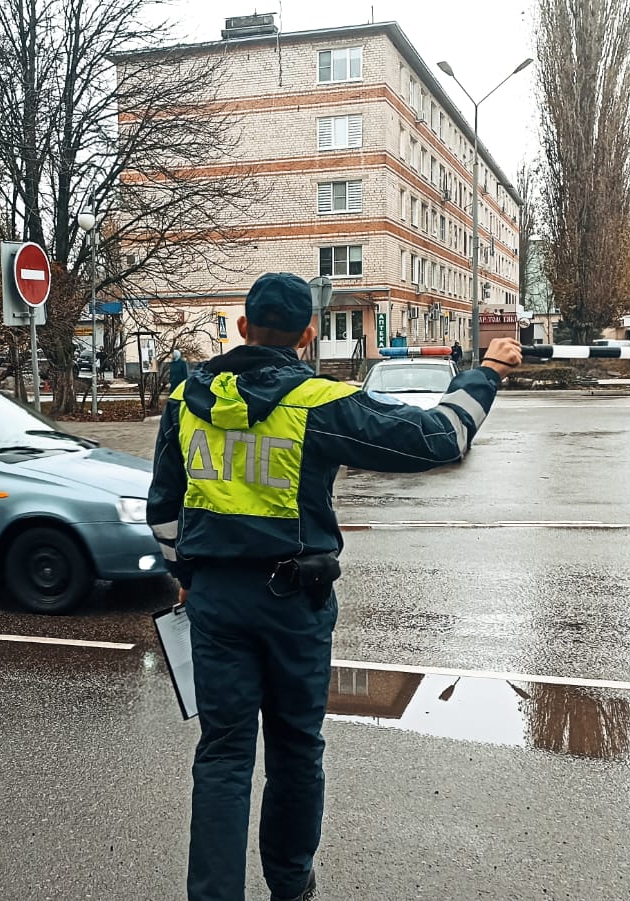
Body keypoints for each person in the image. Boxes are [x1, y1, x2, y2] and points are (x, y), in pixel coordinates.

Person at [147, 272, 521, 901]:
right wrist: (485, 371)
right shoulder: (318, 402)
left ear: (242, 327)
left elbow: (163, 510)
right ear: (309, 333)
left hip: (213, 603)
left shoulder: (186, 399)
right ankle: (291, 886)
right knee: (294, 747)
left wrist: (186, 578)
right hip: (293, 602)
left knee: (223, 756)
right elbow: (441, 438)